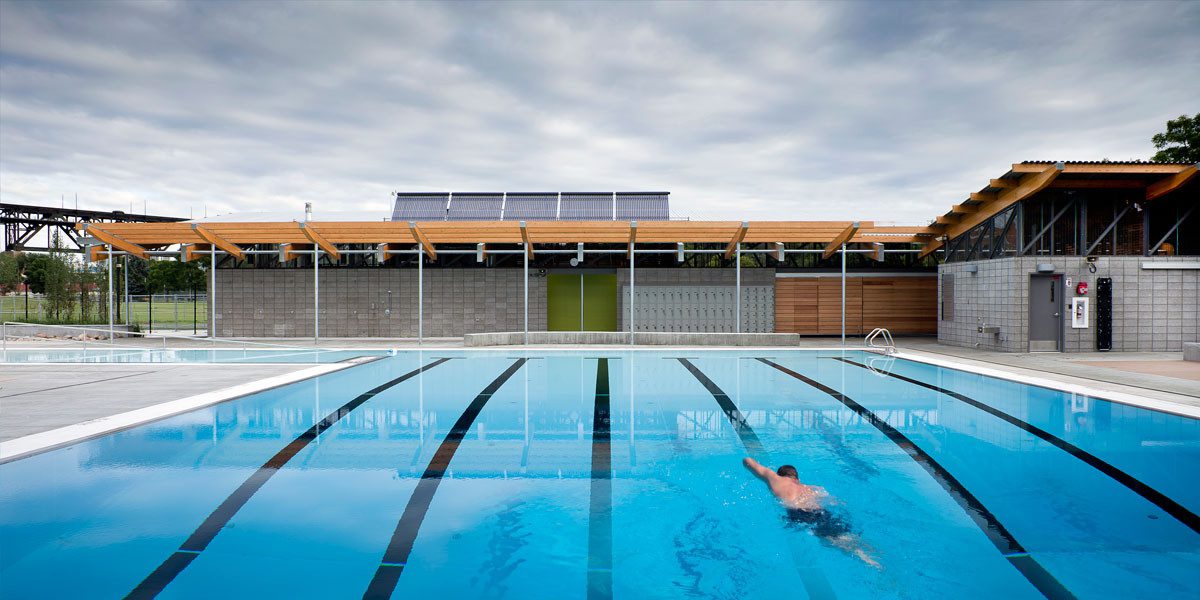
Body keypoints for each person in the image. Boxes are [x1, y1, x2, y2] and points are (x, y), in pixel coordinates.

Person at [743, 457, 879, 567]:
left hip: (802, 514)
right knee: (845, 535)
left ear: (781, 475)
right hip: (822, 512)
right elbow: (833, 501)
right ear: (797, 478)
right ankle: (873, 552)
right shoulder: (810, 488)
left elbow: (748, 461)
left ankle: (870, 561)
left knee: (832, 542)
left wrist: (752, 465)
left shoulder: (775, 479)